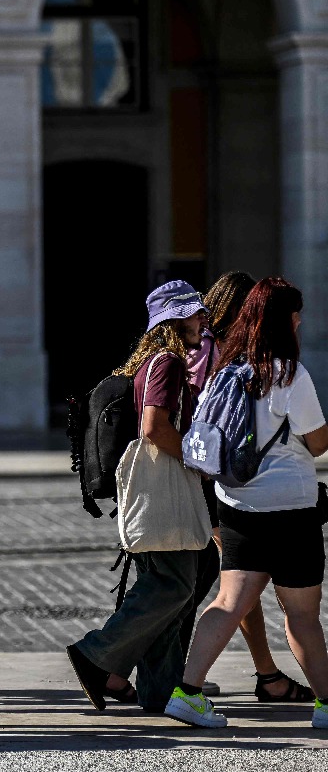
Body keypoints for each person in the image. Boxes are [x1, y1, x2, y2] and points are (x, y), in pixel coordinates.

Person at [165, 277, 328, 729]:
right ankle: (326, 706)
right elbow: (317, 444)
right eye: (295, 313)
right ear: (282, 320)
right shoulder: (288, 373)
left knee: (228, 602)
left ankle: (188, 692)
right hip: (291, 511)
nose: (299, 321)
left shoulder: (223, 374)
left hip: (236, 505)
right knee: (301, 616)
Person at [67, 280, 213, 713]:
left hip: (157, 487)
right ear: (172, 319)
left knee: (176, 585)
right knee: (174, 584)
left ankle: (159, 688)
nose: (202, 319)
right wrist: (194, 458)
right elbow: (153, 426)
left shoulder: (151, 361)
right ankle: (96, 654)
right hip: (165, 485)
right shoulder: (166, 362)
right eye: (194, 312)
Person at [195, 271, 313, 702]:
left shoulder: (215, 358)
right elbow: (316, 440)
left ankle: (249, 677)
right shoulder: (258, 365)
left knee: (232, 594)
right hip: (259, 495)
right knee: (292, 610)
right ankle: (270, 677)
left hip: (223, 487)